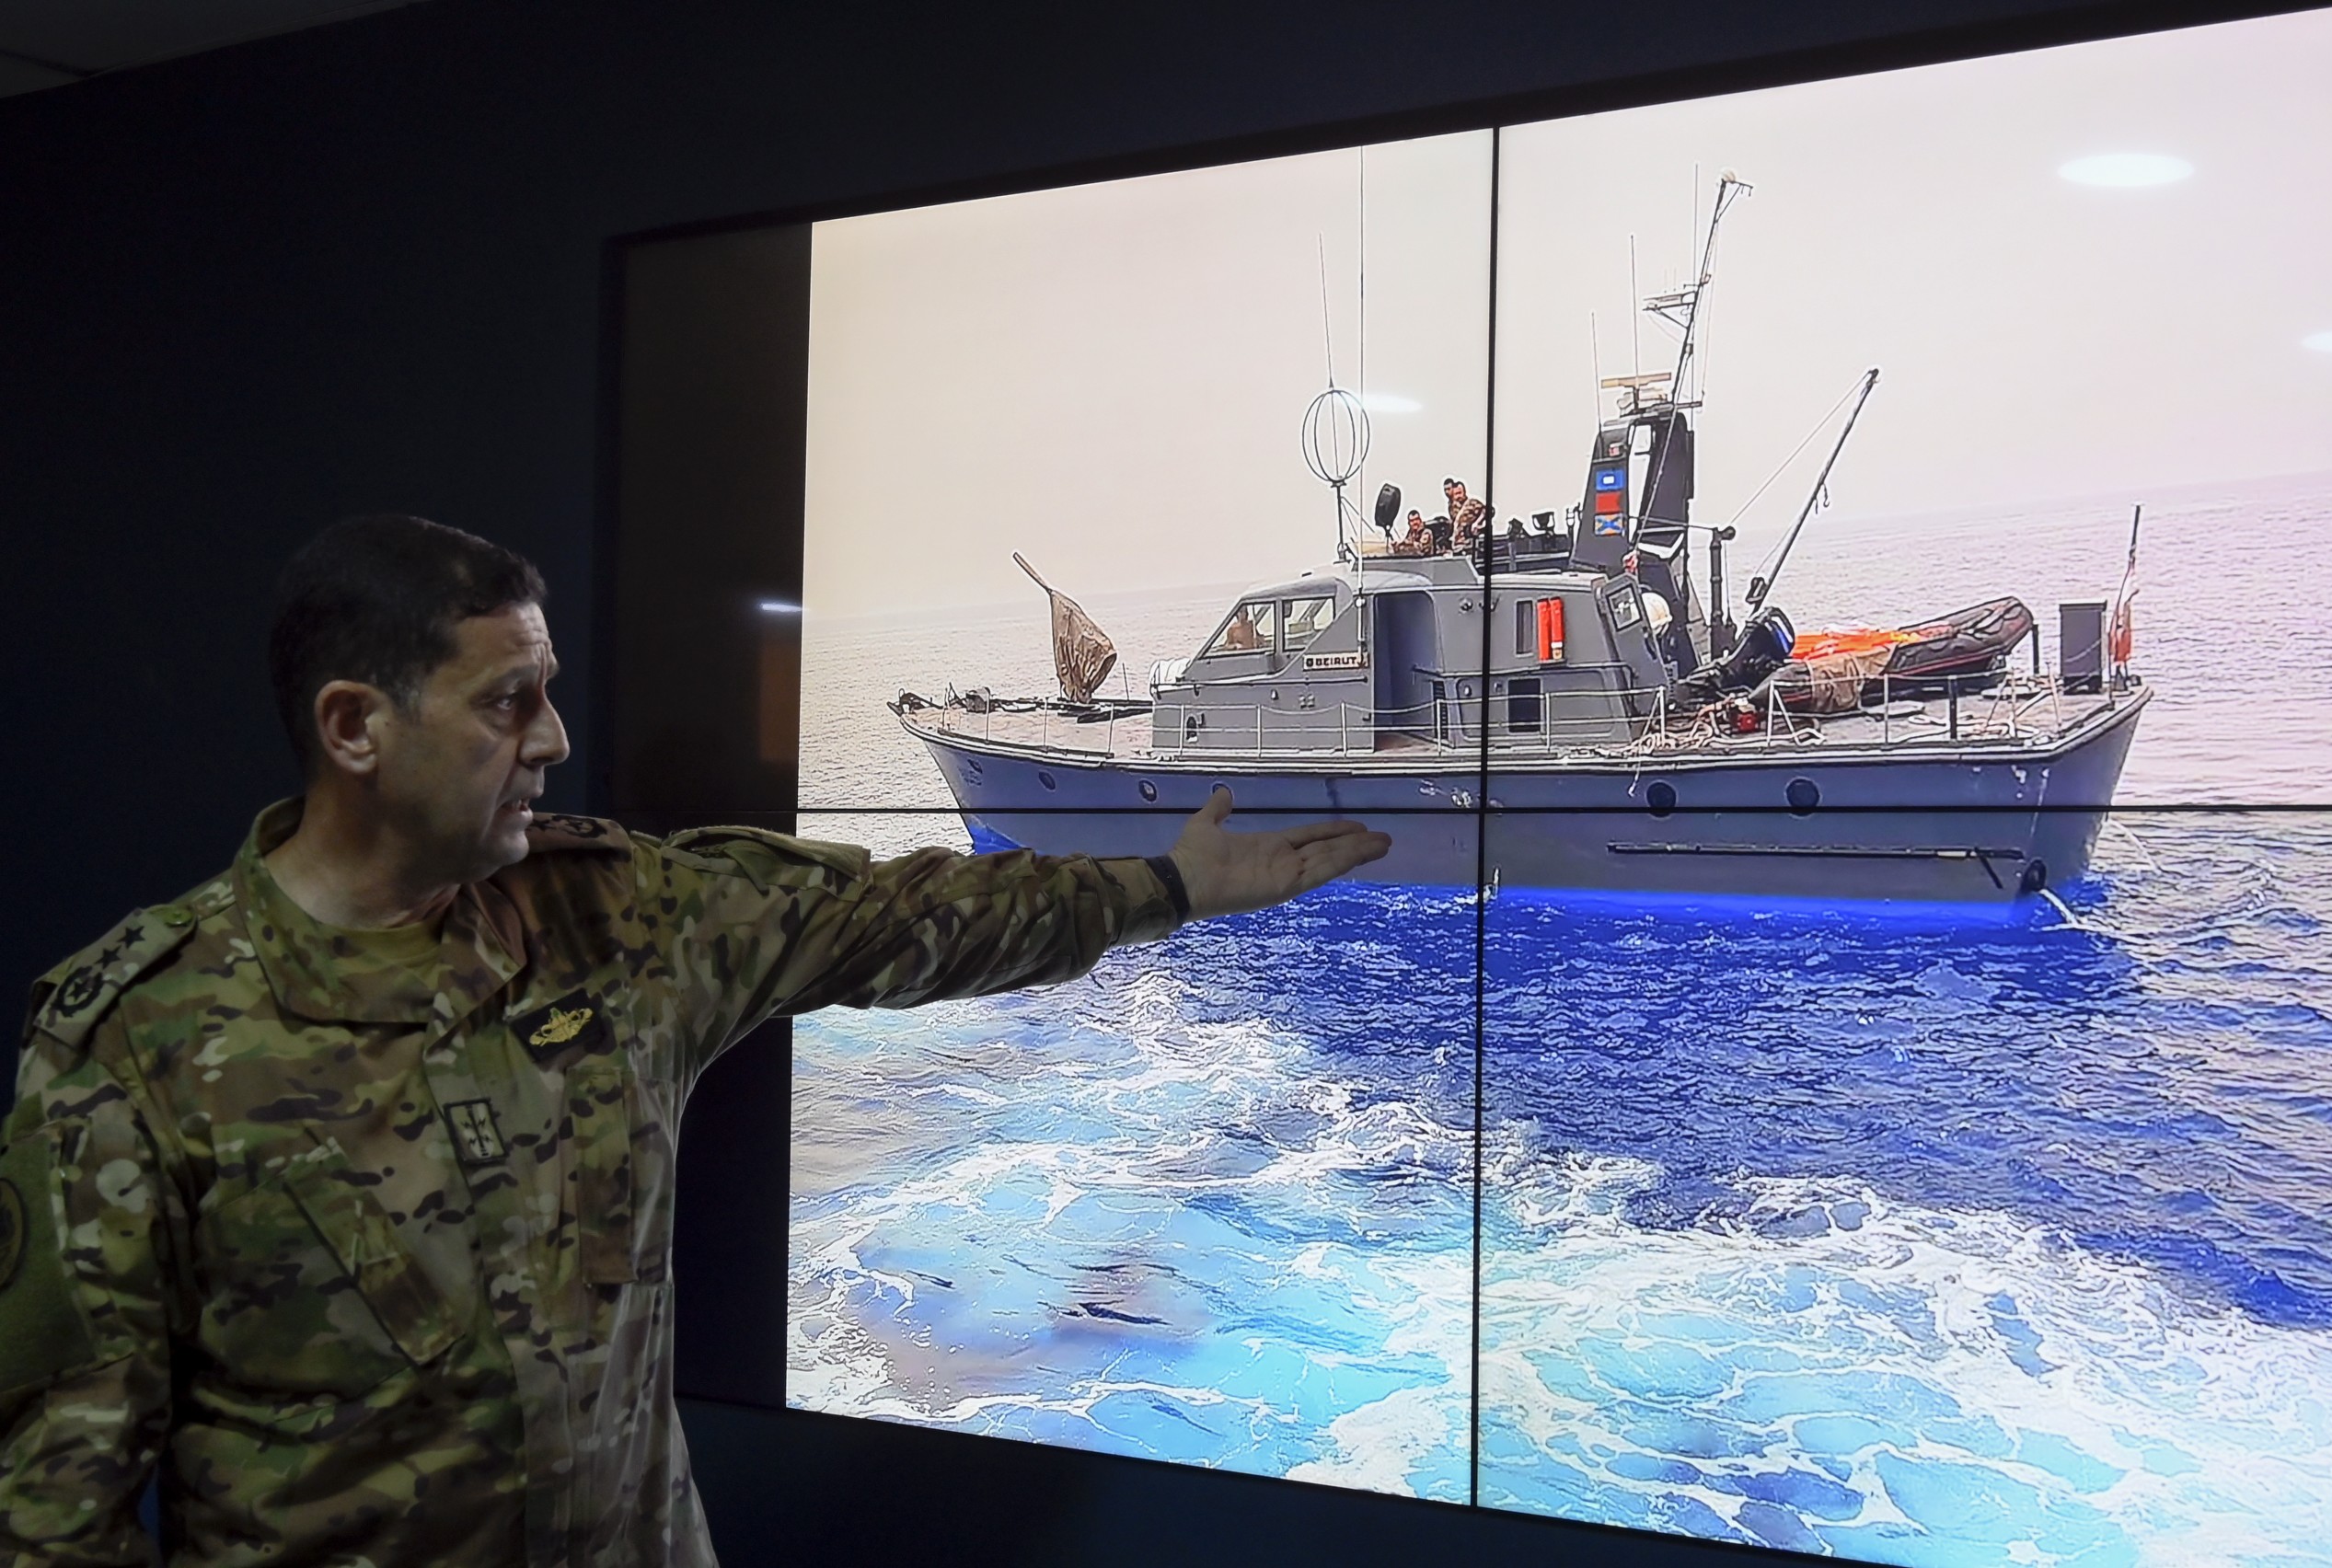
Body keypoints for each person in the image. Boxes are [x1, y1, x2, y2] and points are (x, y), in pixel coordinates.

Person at [0, 515, 1389, 1567]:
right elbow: (56, 1498)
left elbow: (896, 921)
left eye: (547, 690)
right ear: (355, 728)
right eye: (506, 703)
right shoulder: (140, 1040)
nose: (552, 740)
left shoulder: (621, 923)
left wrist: (1164, 888)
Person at [1443, 476, 1488, 553]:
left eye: (1460, 493)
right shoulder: (1452, 507)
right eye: (1456, 494)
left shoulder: (1472, 503)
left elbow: (1488, 510)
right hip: (1457, 544)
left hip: (1470, 543)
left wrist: (1477, 522)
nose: (1458, 496)